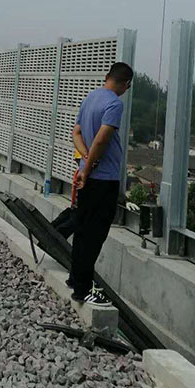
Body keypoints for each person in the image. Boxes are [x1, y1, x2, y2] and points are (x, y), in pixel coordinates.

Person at [69, 62, 133, 307]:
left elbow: (76, 133)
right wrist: (90, 165)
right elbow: (102, 138)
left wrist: (84, 160)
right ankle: (83, 290)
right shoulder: (115, 103)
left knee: (83, 230)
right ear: (126, 84)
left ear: (107, 77)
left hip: (87, 177)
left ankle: (75, 280)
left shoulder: (91, 97)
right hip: (103, 180)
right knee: (95, 235)